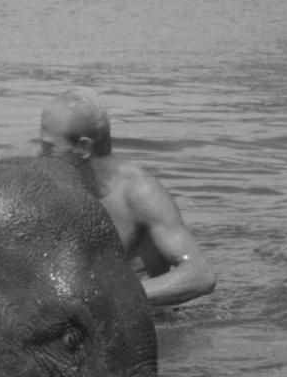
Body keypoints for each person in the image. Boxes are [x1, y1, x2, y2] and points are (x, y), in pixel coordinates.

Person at [32, 88, 216, 306]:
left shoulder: (140, 193)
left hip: (148, 325)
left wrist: (104, 299)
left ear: (83, 147)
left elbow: (200, 275)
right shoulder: (57, 186)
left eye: (49, 147)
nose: (40, 155)